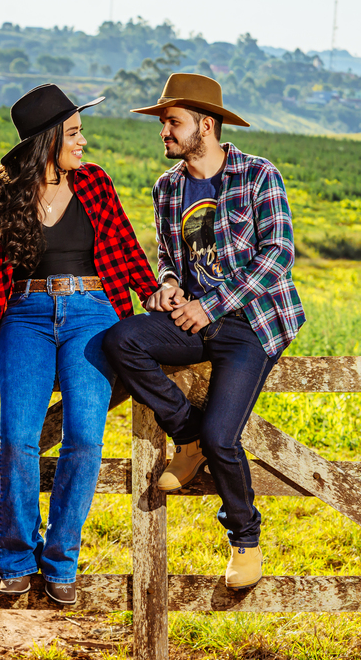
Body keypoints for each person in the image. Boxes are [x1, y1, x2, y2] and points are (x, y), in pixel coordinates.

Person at [0, 84, 158, 605]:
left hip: (92, 313)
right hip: (26, 314)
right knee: (18, 438)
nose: (83, 142)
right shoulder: (0, 192)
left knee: (84, 437)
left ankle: (61, 560)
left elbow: (126, 250)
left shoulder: (95, 183)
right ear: (47, 139)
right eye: (74, 133)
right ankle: (16, 557)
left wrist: (156, 295)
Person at [103, 73, 305, 591]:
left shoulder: (258, 175)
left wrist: (211, 305)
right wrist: (168, 285)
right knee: (121, 340)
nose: (164, 132)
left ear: (206, 125)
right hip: (193, 319)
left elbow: (278, 256)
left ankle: (245, 540)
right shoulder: (167, 188)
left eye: (173, 122)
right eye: (163, 123)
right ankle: (185, 434)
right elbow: (169, 257)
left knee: (223, 438)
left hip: (250, 323)